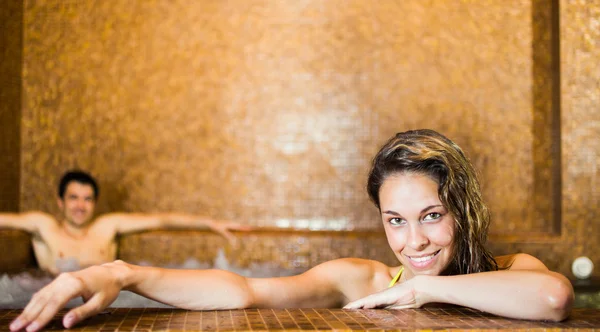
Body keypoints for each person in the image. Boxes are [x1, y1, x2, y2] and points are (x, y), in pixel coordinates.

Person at [9, 130, 573, 332]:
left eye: (431, 216)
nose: (414, 243)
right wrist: (122, 272)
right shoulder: (368, 279)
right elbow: (246, 292)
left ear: (463, 211)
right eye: (395, 222)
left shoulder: (512, 271)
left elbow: (551, 298)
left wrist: (426, 290)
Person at [0, 170, 249, 275]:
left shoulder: (107, 226)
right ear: (60, 202)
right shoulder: (43, 225)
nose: (80, 205)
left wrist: (210, 223)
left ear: (95, 203)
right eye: (73, 198)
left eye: (87, 199)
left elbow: (160, 220)